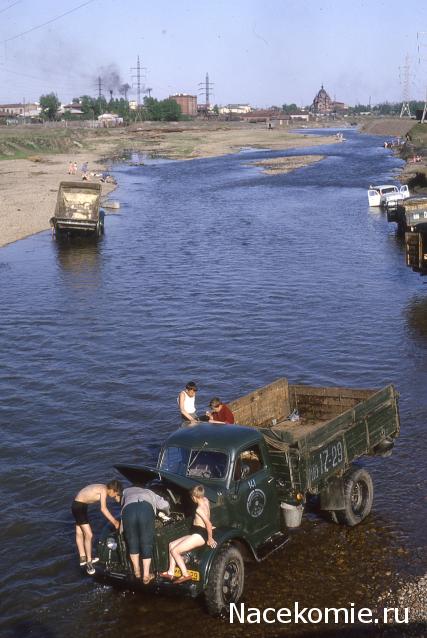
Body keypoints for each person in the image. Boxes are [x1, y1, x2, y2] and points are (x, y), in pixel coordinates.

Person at [160, 485, 216, 583]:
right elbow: (208, 518)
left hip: (200, 535)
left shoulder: (199, 509)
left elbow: (208, 523)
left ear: (194, 497)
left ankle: (185, 574)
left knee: (175, 551)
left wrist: (210, 539)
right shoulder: (206, 500)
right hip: (197, 531)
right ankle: (171, 572)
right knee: (171, 545)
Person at [71, 480, 122, 575]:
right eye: (115, 493)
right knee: (89, 535)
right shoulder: (103, 490)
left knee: (79, 532)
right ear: (111, 490)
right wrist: (114, 522)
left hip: (79, 505)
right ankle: (89, 562)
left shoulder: (103, 487)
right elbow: (103, 508)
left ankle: (83, 558)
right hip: (79, 506)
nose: (115, 496)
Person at [121, 485, 170, 584]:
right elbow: (164, 504)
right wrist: (167, 512)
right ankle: (146, 576)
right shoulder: (149, 492)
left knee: (132, 541)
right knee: (146, 541)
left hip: (128, 510)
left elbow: (122, 504)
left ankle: (137, 571)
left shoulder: (125, 491)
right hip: (145, 509)